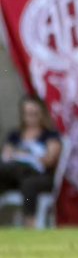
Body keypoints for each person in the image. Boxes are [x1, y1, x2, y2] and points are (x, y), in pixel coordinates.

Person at [0, 96, 62, 228]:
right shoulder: (15, 135)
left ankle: (30, 223)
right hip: (15, 174)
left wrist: (28, 156)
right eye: (27, 113)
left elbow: (50, 160)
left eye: (34, 113)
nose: (31, 117)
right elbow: (6, 155)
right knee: (8, 171)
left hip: (40, 176)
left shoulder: (50, 135)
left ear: (42, 114)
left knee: (28, 182)